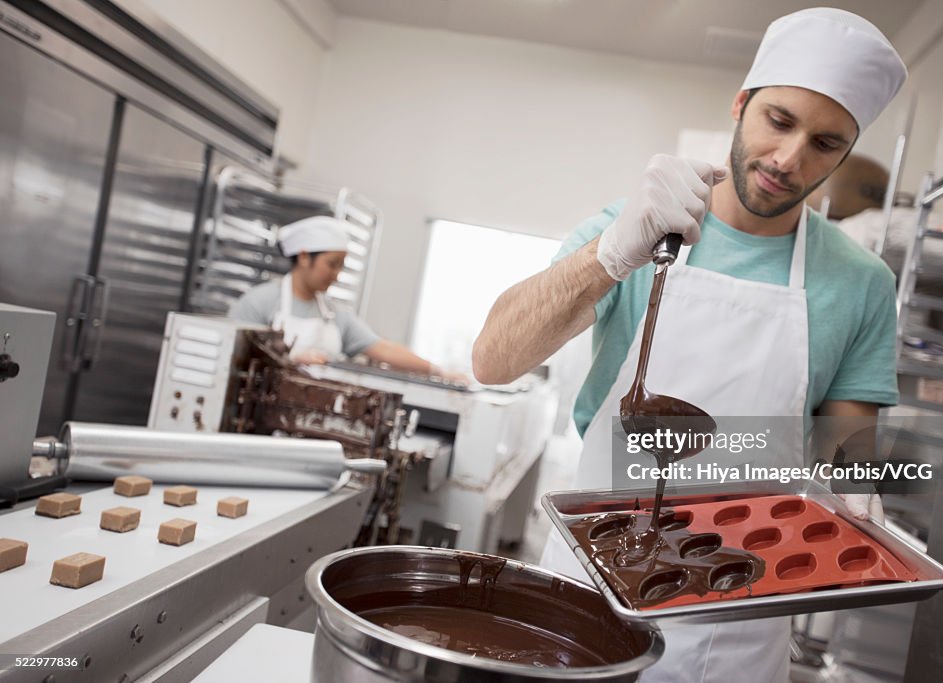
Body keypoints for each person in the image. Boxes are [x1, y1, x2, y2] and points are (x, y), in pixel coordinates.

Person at [473, 7, 906, 683]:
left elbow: (846, 452)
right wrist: (609, 257)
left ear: (844, 155)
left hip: (741, 613)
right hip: (591, 581)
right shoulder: (630, 227)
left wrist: (859, 497)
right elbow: (492, 360)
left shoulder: (861, 285)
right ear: (741, 105)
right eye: (780, 121)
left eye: (825, 143)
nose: (789, 160)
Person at [230, 215, 460, 380]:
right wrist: (288, 359)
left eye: (341, 266)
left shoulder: (336, 315)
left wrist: (437, 371)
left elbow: (385, 350)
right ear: (303, 257)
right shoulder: (258, 303)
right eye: (331, 264)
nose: (336, 275)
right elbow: (232, 360)